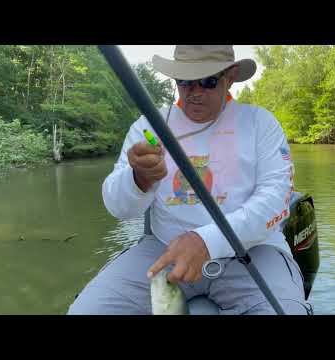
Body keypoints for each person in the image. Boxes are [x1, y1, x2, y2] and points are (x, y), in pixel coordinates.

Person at [67, 45, 309, 315]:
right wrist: (138, 180)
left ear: (230, 76)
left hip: (254, 250)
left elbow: (275, 202)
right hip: (163, 249)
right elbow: (118, 208)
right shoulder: (149, 126)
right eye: (184, 81)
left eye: (207, 81)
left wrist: (206, 241)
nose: (194, 92)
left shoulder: (260, 123)